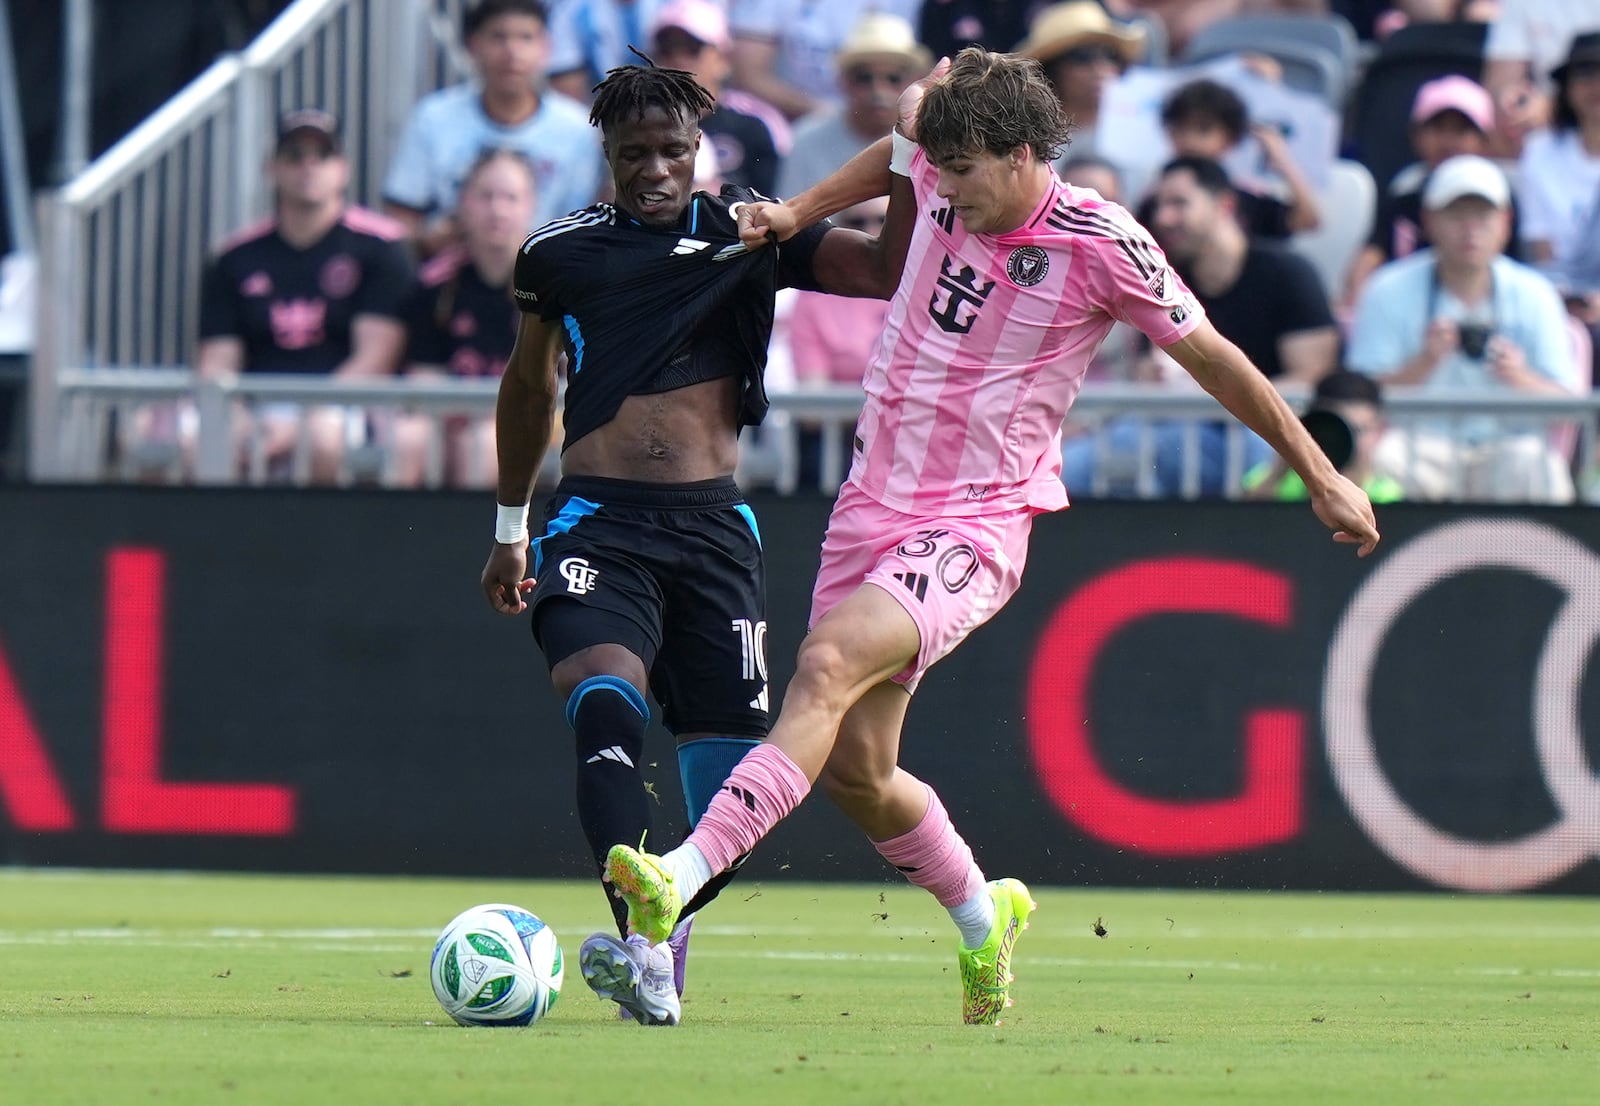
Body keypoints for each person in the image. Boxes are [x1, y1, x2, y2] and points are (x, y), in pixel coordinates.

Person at [604, 48, 1379, 1026]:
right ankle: (983, 912)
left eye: (961, 171)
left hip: (974, 516)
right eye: (937, 167)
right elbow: (899, 145)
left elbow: (1214, 356)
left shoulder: (1100, 241)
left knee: (826, 665)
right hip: (868, 499)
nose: (941, 187)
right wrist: (800, 212)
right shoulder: (935, 146)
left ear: (1019, 156)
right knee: (856, 769)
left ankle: (678, 873)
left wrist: (1319, 470)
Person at [478, 61, 911, 1027]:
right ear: (607, 154)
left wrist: (912, 160)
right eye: (635, 154)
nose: (656, 170)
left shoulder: (749, 230)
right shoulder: (558, 254)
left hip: (716, 532)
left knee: (730, 782)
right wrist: (512, 529)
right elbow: (525, 390)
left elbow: (884, 273)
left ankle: (664, 941)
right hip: (599, 522)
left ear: (699, 151)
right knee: (601, 699)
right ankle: (640, 948)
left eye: (674, 150)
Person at [1065, 155, 1339, 497]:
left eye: (1179, 203)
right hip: (1174, 429)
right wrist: (1151, 376)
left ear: (1224, 204)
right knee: (1087, 460)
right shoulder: (1157, 274)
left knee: (1156, 447)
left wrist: (1210, 393)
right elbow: (1151, 372)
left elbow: (1312, 378)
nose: (1164, 218)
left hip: (1265, 436)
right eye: (1160, 204)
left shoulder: (1288, 273)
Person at [194, 109, 413, 485]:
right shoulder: (234, 257)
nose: (308, 166)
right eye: (294, 156)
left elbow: (374, 359)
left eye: (322, 156)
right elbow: (217, 361)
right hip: (256, 402)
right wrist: (236, 412)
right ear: (271, 169)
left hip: (344, 404)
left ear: (342, 169)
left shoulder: (380, 247)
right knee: (183, 436)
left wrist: (299, 422)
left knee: (323, 440)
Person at [1348, 154, 1579, 502]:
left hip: (1508, 446)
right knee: (1384, 460)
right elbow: (1357, 396)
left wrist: (1519, 376)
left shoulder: (1537, 294)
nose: (1470, 230)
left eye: (1483, 216)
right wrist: (1424, 362)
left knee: (1537, 464)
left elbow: (1570, 404)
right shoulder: (1386, 289)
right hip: (1419, 444)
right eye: (1456, 215)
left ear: (1506, 222)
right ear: (1428, 221)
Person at [382, 0, 602, 255]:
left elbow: (585, 224)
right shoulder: (432, 117)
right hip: (449, 270)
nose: (512, 52)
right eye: (498, 37)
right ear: (473, 46)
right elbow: (400, 217)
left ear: (546, 48)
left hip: (547, 277)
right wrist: (428, 241)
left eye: (526, 38)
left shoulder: (578, 129)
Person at [393, 150, 539, 489]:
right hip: (451, 417)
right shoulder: (434, 286)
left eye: (510, 197)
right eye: (485, 196)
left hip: (536, 418)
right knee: (408, 438)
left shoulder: (556, 285)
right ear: (463, 203)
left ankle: (481, 542)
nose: (497, 210)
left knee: (484, 443)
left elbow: (564, 378)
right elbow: (424, 381)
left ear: (531, 205)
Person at [1343, 75, 1517, 311]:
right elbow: (1374, 251)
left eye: (1462, 130)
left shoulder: (1501, 194)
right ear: (1416, 135)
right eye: (1437, 128)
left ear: (1485, 140)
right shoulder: (1404, 190)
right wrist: (1356, 302)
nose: (1448, 140)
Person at [776, 14, 931, 200]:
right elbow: (790, 211)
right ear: (844, 82)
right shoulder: (807, 138)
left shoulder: (931, 141)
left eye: (893, 78)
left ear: (915, 81)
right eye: (864, 78)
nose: (878, 90)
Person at [648, 0, 790, 198]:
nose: (678, 59)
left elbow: (781, 203)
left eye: (692, 47)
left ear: (723, 60)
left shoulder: (758, 124)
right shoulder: (634, 124)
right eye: (667, 48)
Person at [1149, 78, 1320, 237]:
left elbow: (1307, 220)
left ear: (1230, 139)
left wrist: (1282, 162)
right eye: (1179, 128)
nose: (1189, 140)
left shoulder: (1244, 198)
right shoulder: (1155, 196)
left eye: (1203, 129)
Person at [1517, 31, 1600, 347]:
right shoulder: (1540, 153)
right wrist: (1566, 302)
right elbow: (1542, 251)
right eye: (1586, 74)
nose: (1596, 86)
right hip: (1555, 296)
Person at [728, 0, 923, 121]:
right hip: (792, 126)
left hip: (889, 123)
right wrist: (824, 115)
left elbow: (926, 68)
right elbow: (748, 74)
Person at [1015, 1, 1146, 169]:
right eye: (1083, 57)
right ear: (1050, 71)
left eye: (1110, 55)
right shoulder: (1027, 145)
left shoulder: (1141, 136)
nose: (1100, 68)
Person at [1242, 369, 1407, 501]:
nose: (1346, 440)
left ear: (1379, 431)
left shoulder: (1389, 497)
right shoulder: (1275, 482)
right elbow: (1244, 523)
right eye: (1337, 428)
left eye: (1358, 429)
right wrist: (1282, 464)